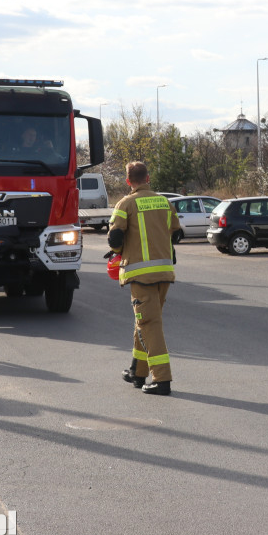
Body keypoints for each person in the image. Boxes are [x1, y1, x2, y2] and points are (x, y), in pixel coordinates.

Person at [107, 161, 181, 395]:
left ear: (129, 181)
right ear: (148, 178)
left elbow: (115, 238)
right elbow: (176, 233)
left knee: (149, 323)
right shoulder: (164, 201)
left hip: (140, 275)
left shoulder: (125, 203)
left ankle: (162, 380)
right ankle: (137, 372)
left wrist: (118, 253)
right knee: (145, 320)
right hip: (164, 273)